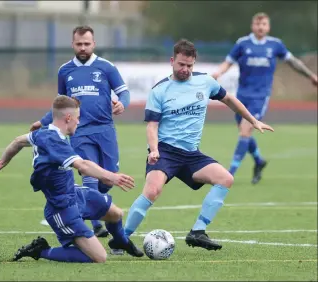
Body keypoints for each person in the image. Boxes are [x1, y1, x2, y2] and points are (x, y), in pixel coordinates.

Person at [122, 39, 274, 251]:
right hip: (165, 151)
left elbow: (229, 99)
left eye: (190, 66)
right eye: (181, 65)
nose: (185, 70)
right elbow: (152, 126)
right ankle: (122, 239)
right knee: (153, 190)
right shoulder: (160, 90)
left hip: (191, 155)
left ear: (195, 63)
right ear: (172, 61)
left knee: (225, 179)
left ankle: (198, 232)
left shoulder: (206, 82)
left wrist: (252, 120)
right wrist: (154, 149)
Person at [0, 96, 143, 263]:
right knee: (99, 257)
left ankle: (121, 241)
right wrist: (111, 177)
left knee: (115, 214)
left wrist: (2, 162)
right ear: (68, 118)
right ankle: (42, 250)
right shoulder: (53, 140)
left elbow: (18, 141)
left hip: (74, 193)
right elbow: (82, 165)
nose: (79, 122)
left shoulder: (45, 133)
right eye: (78, 117)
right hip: (61, 208)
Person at [30, 26, 130, 237]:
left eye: (87, 44)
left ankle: (95, 209)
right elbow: (61, 104)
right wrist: (43, 121)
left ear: (93, 44)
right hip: (79, 132)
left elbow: (124, 93)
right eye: (79, 44)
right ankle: (95, 224)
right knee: (88, 174)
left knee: (108, 179)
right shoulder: (65, 71)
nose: (83, 48)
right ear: (73, 44)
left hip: (105, 131)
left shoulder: (106, 67)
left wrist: (122, 103)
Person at [212, 12, 318, 184]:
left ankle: (229, 173)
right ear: (252, 26)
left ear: (268, 27)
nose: (260, 27)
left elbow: (294, 62)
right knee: (243, 132)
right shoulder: (242, 44)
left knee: (245, 130)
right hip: (242, 95)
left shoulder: (275, 45)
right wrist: (218, 72)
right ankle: (259, 161)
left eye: (264, 24)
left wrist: (311, 76)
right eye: (257, 24)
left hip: (260, 97)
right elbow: (228, 62)